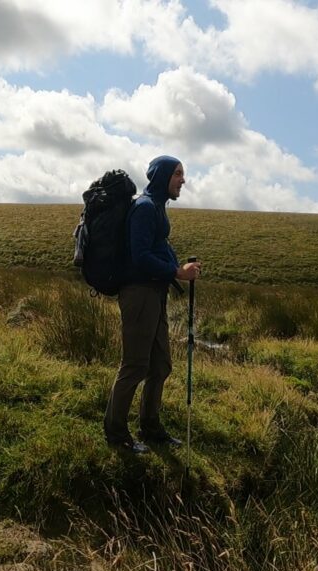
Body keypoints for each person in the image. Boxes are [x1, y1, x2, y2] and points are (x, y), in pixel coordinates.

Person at [103, 155, 202, 454]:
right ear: (161, 177)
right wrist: (176, 272)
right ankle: (116, 435)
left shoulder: (157, 208)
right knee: (134, 366)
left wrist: (181, 267)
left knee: (160, 365)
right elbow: (140, 256)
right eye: (177, 174)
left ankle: (151, 427)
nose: (182, 180)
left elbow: (158, 249)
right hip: (139, 294)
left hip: (154, 294)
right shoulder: (145, 208)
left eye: (182, 174)